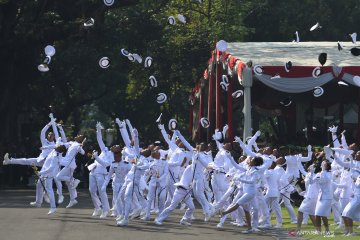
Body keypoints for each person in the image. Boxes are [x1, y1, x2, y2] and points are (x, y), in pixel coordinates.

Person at [56, 133, 86, 208]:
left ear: (80, 140)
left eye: (80, 136)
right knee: (69, 184)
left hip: (70, 165)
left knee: (58, 177)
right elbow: (62, 145)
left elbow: (83, 153)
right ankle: (73, 200)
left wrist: (80, 147)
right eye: (78, 135)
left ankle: (74, 179)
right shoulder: (71, 143)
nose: (78, 135)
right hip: (67, 163)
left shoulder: (78, 145)